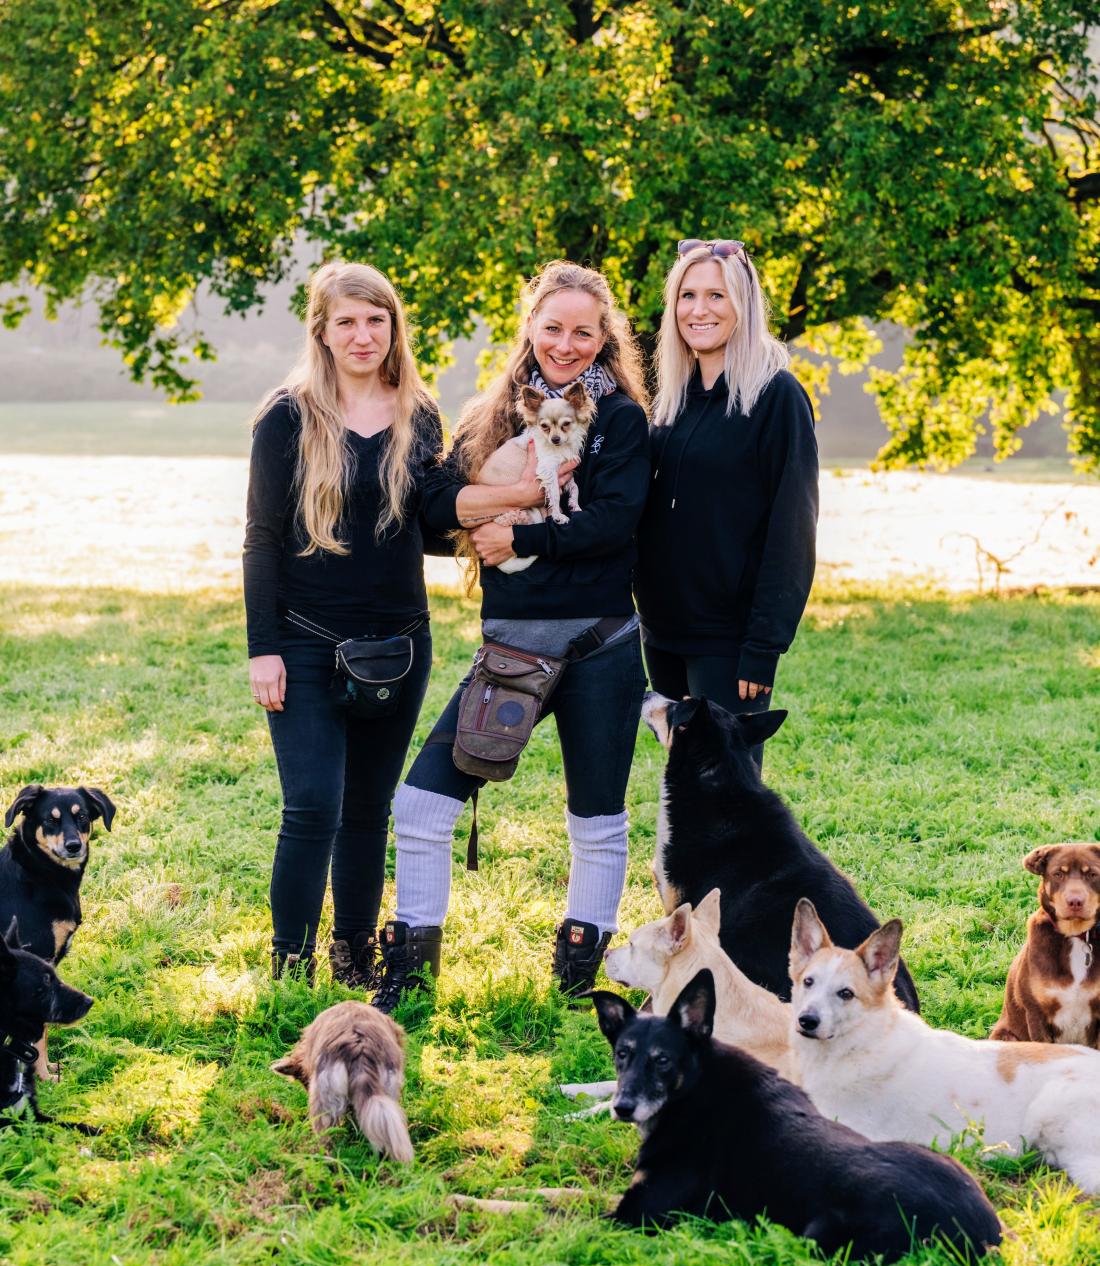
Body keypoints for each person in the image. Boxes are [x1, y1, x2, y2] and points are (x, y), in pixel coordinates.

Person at [371, 261, 651, 1014]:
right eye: (552, 327)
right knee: (423, 807)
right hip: (512, 653)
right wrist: (511, 501)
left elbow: (616, 521)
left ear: (604, 339)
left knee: (596, 821)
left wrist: (511, 537)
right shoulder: (494, 416)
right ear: (530, 326)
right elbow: (431, 507)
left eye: (583, 332)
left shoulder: (621, 419)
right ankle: (409, 969)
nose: (566, 344)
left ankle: (579, 977)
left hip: (602, 647)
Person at [243, 262, 448, 987]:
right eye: (347, 322)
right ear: (323, 333)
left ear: (393, 327)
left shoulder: (419, 414)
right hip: (304, 641)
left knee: (367, 810)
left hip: (399, 646)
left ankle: (355, 956)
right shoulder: (287, 417)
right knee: (312, 808)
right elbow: (262, 538)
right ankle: (290, 967)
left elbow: (436, 527)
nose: (363, 335)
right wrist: (263, 650)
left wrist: (514, 501)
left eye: (376, 320)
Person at [635, 239, 819, 768]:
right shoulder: (672, 399)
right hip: (662, 630)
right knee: (683, 785)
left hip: (729, 639)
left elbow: (793, 529)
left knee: (727, 799)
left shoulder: (776, 397)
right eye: (687, 295)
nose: (699, 309)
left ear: (744, 304)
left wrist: (762, 648)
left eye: (716, 295)